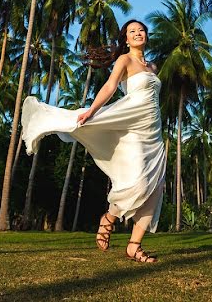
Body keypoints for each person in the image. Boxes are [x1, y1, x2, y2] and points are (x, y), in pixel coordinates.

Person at [21, 19, 164, 263]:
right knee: (139, 183)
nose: (138, 33)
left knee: (156, 189)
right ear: (126, 39)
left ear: (146, 36)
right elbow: (110, 86)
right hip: (133, 127)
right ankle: (109, 217)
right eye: (132, 32)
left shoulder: (151, 66)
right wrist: (93, 111)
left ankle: (134, 246)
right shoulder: (125, 60)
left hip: (153, 130)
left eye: (141, 30)